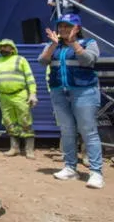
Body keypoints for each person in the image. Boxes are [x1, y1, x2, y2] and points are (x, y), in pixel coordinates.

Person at [38, 13, 104, 189]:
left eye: (68, 26)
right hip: (59, 92)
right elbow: (42, 61)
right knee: (67, 131)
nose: (63, 29)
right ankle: (70, 167)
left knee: (88, 131)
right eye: (61, 26)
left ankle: (96, 172)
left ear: (77, 28)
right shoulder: (53, 45)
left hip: (84, 92)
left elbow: (88, 60)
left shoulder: (88, 43)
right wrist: (52, 45)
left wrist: (74, 42)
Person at [0, 39, 38, 159]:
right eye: (1, 47)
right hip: (3, 96)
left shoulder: (20, 60)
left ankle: (29, 149)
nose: (3, 49)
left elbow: (29, 78)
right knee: (9, 122)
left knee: (25, 120)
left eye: (6, 47)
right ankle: (14, 148)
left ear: (13, 48)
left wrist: (32, 94)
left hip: (20, 95)